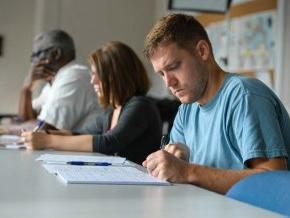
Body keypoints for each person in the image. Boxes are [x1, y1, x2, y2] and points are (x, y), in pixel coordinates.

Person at [142, 13, 290, 194]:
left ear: (202, 51)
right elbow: (177, 172)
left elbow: (273, 182)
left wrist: (187, 171)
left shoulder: (245, 96)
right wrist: (176, 158)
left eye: (173, 67)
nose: (168, 83)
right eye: (161, 74)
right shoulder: (186, 110)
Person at [22, 41, 162, 164]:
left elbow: (108, 143)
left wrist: (47, 141)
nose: (92, 81)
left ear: (118, 76)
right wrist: (45, 134)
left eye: (98, 75)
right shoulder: (113, 111)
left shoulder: (140, 106)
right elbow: (78, 134)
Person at [18, 29, 100, 131]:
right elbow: (26, 120)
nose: (33, 62)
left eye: (37, 54)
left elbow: (44, 130)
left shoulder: (74, 76)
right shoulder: (54, 82)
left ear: (56, 53)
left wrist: (7, 129)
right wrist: (26, 89)